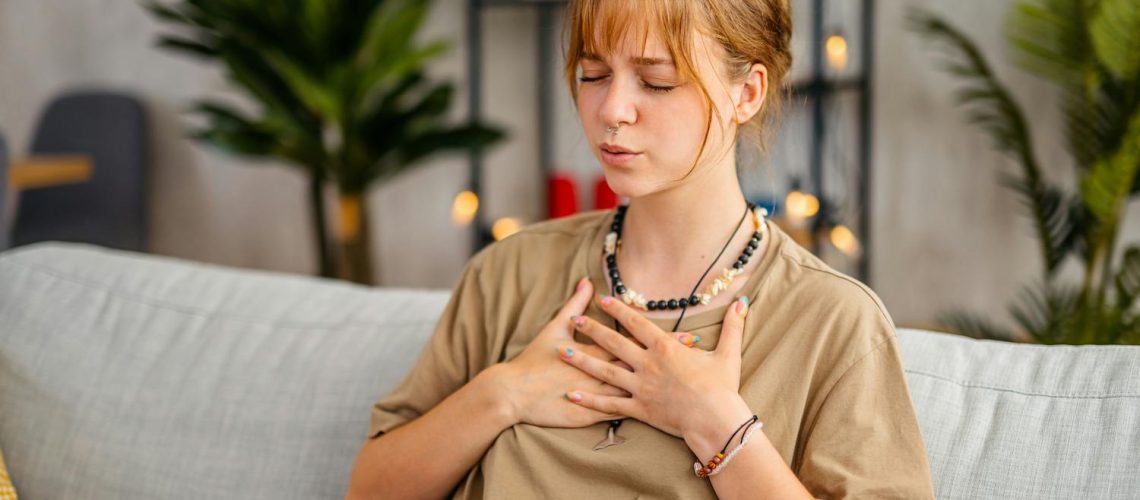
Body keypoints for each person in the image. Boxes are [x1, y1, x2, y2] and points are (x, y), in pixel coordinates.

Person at [346, 0, 935, 498]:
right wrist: (504, 393)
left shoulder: (832, 322)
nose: (611, 112)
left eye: (657, 82)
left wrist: (720, 429)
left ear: (747, 92)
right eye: (593, 74)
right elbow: (369, 488)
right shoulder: (509, 272)